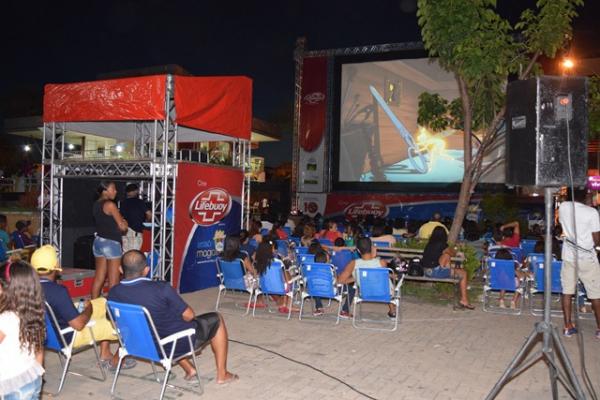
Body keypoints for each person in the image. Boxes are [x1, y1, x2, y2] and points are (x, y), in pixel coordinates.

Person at [108, 250, 238, 383]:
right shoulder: (161, 288)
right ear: (146, 270)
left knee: (162, 324)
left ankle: (190, 370)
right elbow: (189, 315)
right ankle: (222, 374)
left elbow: (119, 324)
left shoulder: (113, 293)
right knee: (216, 319)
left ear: (120, 269)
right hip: (169, 346)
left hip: (141, 345)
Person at [31, 245, 129, 371]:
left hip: (48, 334)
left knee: (104, 302)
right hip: (69, 336)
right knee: (123, 324)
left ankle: (105, 353)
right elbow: (79, 325)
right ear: (55, 266)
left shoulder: (27, 288)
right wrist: (89, 310)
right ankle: (117, 362)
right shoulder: (57, 292)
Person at [558, 189, 600, 339]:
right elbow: (596, 240)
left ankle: (568, 326)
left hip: (569, 256)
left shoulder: (563, 207)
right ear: (585, 196)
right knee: (595, 293)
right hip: (587, 258)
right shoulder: (592, 213)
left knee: (567, 292)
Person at [0, 261, 45, 400]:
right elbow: (39, 349)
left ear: (5, 288)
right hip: (32, 377)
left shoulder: (6, 319)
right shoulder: (32, 312)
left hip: (13, 386)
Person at [337, 237, 396, 318]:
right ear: (372, 248)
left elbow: (340, 281)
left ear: (358, 250)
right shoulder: (382, 262)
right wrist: (374, 256)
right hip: (385, 294)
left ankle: (345, 309)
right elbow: (377, 276)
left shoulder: (353, 264)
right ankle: (392, 311)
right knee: (386, 282)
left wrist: (357, 277)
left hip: (365, 293)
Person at [421, 227, 474, 309]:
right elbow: (452, 253)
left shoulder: (428, 245)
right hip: (436, 272)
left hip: (425, 272)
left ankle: (463, 299)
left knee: (452, 265)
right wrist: (455, 249)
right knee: (463, 273)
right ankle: (464, 300)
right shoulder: (443, 245)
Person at [92, 181, 128, 299]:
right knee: (114, 281)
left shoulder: (96, 204)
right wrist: (125, 223)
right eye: (113, 189)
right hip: (111, 243)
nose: (116, 191)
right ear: (105, 190)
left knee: (99, 278)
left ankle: (94, 307)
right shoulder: (110, 205)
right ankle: (111, 311)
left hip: (98, 242)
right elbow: (122, 227)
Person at [119, 183, 151, 252]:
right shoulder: (140, 202)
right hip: (136, 232)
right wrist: (146, 221)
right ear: (136, 191)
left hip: (125, 231)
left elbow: (120, 217)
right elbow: (149, 214)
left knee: (125, 254)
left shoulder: (123, 203)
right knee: (134, 255)